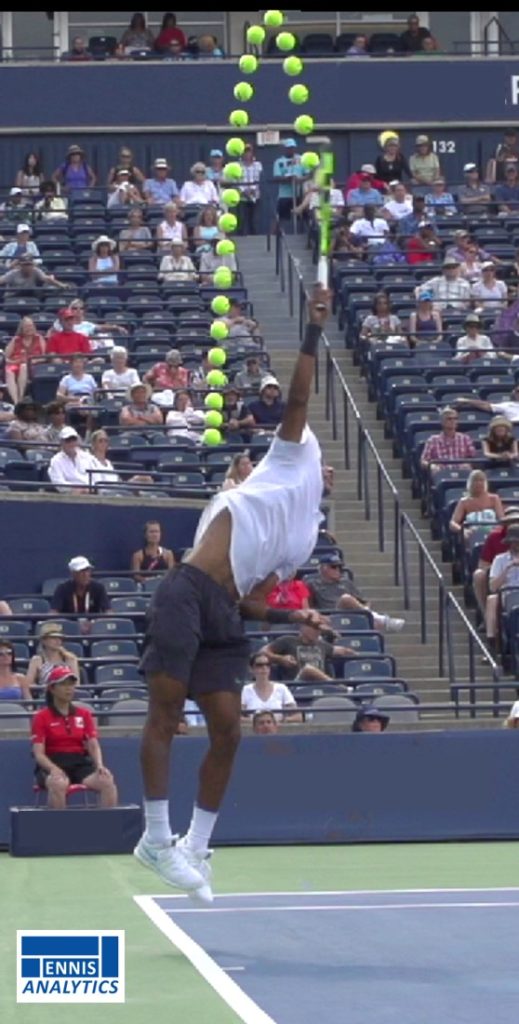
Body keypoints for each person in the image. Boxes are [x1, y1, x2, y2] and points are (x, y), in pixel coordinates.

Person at [134, 285, 332, 899]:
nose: (327, 468)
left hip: (225, 611)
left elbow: (251, 601)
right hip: (187, 590)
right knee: (167, 713)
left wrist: (293, 618)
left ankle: (196, 846)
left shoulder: (303, 537)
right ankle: (155, 839)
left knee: (228, 728)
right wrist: (313, 328)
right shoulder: (292, 458)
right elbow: (297, 397)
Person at [31, 665, 117, 809]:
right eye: (63, 684)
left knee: (107, 782)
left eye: (71, 684)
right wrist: (53, 769)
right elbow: (38, 753)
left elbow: (93, 744)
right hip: (53, 762)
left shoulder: (84, 714)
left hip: (79, 763)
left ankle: (108, 822)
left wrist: (99, 765)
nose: (69, 688)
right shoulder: (41, 717)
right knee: (58, 784)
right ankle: (58, 824)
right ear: (52, 688)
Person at [306, 553, 405, 632]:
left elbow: (364, 602)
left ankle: (374, 620)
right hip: (330, 616)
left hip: (350, 615)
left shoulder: (346, 582)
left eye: (340, 567)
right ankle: (382, 620)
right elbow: (308, 606)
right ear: (324, 568)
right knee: (345, 599)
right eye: (334, 567)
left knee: (372, 624)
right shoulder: (312, 583)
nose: (338, 570)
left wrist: (365, 612)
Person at [261, 621, 355, 682]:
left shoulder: (322, 645)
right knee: (308, 670)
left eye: (318, 629)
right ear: (303, 627)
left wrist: (332, 633)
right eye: (314, 628)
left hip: (320, 685)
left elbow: (343, 651)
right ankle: (336, 686)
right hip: (297, 684)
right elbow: (263, 651)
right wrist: (280, 659)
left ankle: (334, 686)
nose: (317, 631)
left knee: (310, 670)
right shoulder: (288, 641)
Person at [472, 507, 519, 619]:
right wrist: (504, 568)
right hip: (503, 584)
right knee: (480, 576)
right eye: (511, 521)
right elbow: (483, 565)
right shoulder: (494, 538)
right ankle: (486, 617)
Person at [485, 525, 519, 654]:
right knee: (491, 599)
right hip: (507, 596)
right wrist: (508, 568)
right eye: (515, 542)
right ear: (510, 543)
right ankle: (492, 643)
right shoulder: (499, 560)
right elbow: (492, 586)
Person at [241, 653, 301, 721]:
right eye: (259, 665)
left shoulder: (281, 688)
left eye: (267, 665)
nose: (264, 668)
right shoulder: (245, 690)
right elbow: (237, 717)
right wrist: (257, 722)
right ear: (251, 669)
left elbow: (298, 716)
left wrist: (280, 721)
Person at [450, 470, 504, 539]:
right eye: (475, 480)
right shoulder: (464, 502)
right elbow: (453, 523)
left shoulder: (494, 498)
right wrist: (463, 531)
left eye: (481, 480)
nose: (479, 483)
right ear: (470, 483)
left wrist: (498, 530)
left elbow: (502, 520)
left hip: (492, 533)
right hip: (473, 535)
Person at [25, 622, 80, 690]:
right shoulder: (37, 660)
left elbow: (76, 684)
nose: (57, 641)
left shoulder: (70, 659)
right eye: (53, 638)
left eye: (59, 638)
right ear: (44, 640)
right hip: (44, 694)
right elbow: (28, 684)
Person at [4, 316, 45, 403]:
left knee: (23, 366)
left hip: (33, 366)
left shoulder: (39, 338)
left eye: (30, 326)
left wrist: (33, 361)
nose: (29, 328)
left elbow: (45, 357)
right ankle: (16, 402)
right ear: (21, 328)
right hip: (16, 364)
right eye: (26, 326)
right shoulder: (16, 339)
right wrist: (14, 362)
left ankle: (21, 397)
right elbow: (5, 357)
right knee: (8, 371)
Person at [421, 407, 476, 472]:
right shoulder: (433, 440)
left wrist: (469, 464)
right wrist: (431, 466)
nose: (453, 421)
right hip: (441, 472)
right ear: (442, 422)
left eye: (455, 419)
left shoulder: (465, 438)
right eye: (449, 419)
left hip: (461, 471)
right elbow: (423, 461)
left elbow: (473, 458)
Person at [47, 427, 95, 492]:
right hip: (69, 495)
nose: (71, 443)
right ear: (62, 442)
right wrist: (74, 489)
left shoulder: (87, 457)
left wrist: (89, 489)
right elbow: (59, 483)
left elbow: (95, 476)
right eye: (68, 440)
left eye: (74, 439)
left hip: (90, 492)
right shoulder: (56, 461)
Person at [273, 139, 305, 221]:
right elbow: (277, 177)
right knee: (281, 218)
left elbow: (308, 174)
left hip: (298, 194)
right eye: (289, 148)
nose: (291, 150)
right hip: (284, 195)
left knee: (302, 217)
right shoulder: (279, 162)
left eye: (292, 148)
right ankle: (279, 229)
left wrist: (300, 179)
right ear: (285, 149)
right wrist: (287, 178)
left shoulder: (301, 159)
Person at [455, 384, 519, 424]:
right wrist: (467, 401)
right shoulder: (508, 405)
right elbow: (487, 406)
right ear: (514, 393)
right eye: (518, 391)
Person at [0, 257, 67, 295]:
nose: (27, 267)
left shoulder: (35, 270)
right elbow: (2, 279)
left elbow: (46, 279)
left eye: (29, 264)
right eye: (25, 265)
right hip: (14, 294)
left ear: (33, 265)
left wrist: (60, 284)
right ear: (21, 265)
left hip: (30, 294)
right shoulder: (14, 273)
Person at [238, 144, 263, 235]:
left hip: (255, 196)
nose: (247, 154)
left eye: (249, 151)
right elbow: (236, 180)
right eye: (245, 151)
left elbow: (258, 179)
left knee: (255, 220)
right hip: (242, 197)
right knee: (242, 219)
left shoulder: (258, 165)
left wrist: (252, 189)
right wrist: (244, 191)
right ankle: (242, 238)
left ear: (252, 153)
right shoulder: (237, 166)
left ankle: (255, 238)